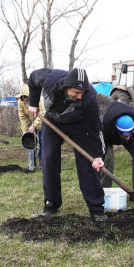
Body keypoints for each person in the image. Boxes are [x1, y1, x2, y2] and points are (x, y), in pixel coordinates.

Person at [28, 68, 107, 222]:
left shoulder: (89, 97)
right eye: (76, 92)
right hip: (52, 121)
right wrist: (33, 102)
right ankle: (51, 202)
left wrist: (97, 155)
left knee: (87, 163)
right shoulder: (50, 79)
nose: (79, 96)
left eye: (82, 93)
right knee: (48, 158)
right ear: (66, 86)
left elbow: (95, 128)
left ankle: (96, 207)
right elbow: (33, 79)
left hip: (79, 125)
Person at [101, 101, 134, 194]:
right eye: (125, 136)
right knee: (108, 160)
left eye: (129, 135)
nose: (127, 138)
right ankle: (104, 192)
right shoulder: (106, 126)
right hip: (106, 137)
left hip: (126, 127)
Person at [18, 83, 45, 171]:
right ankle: (32, 162)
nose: (25, 99)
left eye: (26, 96)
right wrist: (25, 130)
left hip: (43, 121)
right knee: (30, 141)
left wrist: (34, 126)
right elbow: (22, 117)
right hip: (31, 122)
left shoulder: (39, 100)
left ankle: (42, 161)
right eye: (23, 97)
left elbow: (43, 113)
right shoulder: (21, 102)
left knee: (42, 140)